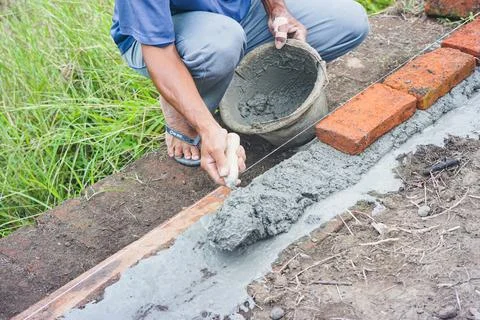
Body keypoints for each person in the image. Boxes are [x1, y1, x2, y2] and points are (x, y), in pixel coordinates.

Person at [111, 0, 369, 185]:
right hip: (169, 37)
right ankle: (179, 108)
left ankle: (233, 74)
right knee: (222, 43)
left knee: (348, 21)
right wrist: (208, 128)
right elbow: (159, 53)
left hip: (242, 13)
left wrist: (278, 10)